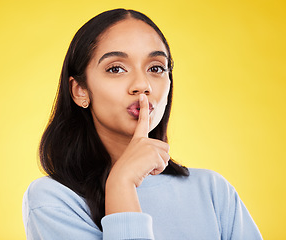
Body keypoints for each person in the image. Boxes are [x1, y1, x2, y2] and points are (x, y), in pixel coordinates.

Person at [22, 8, 263, 240]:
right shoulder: (52, 199)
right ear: (80, 91)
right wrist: (121, 184)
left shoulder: (213, 191)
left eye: (156, 68)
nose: (142, 85)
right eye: (116, 68)